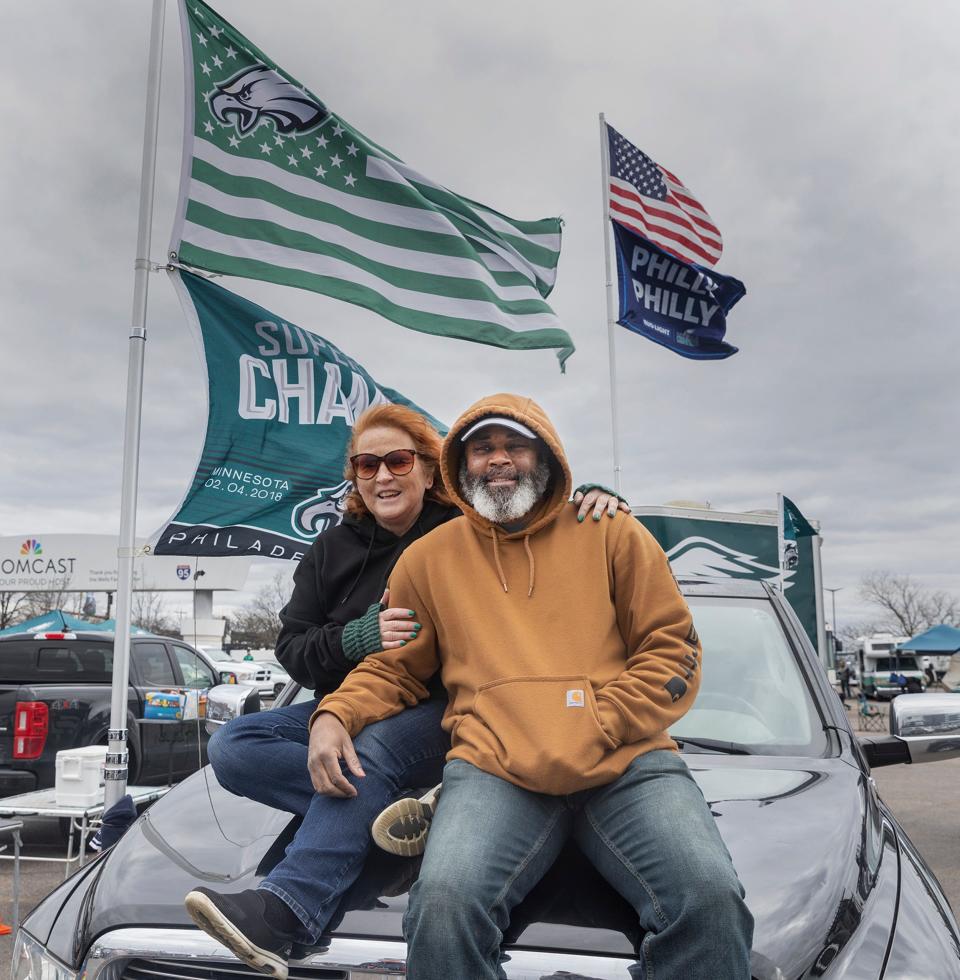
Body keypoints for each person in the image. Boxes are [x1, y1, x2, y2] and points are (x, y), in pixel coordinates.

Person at [310, 393, 754, 980]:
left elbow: (672, 648)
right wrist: (334, 715)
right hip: (495, 773)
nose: (498, 459)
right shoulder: (424, 559)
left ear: (545, 457)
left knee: (709, 899)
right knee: (441, 906)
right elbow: (397, 668)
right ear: (458, 466)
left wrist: (599, 721)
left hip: (628, 766)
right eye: (482, 448)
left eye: (514, 445)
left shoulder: (612, 532)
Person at [184, 402, 628, 980]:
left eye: (397, 460)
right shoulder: (330, 551)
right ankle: (393, 814)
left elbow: (533, 519)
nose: (382, 476)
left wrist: (586, 501)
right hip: (348, 704)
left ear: (429, 467)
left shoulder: (469, 527)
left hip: (445, 708)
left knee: (375, 753)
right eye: (366, 466)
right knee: (234, 746)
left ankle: (286, 910)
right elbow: (294, 649)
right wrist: (356, 639)